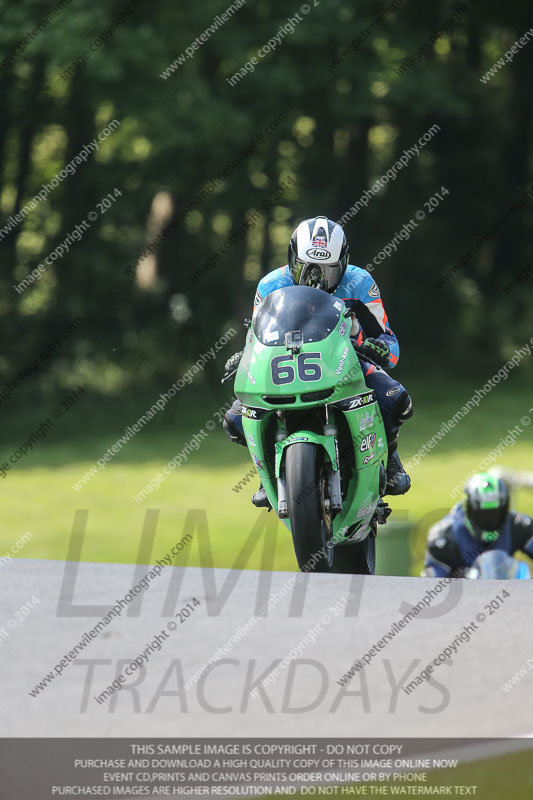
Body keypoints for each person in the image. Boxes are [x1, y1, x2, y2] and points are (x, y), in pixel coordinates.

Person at [223, 215, 413, 506]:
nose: (316, 278)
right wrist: (244, 357)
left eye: (327, 270)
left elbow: (387, 337)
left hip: (346, 358)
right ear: (291, 259)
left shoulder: (360, 282)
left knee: (395, 399)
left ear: (344, 262)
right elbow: (256, 337)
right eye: (306, 267)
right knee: (235, 420)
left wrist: (380, 349)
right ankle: (267, 474)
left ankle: (391, 459)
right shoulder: (269, 285)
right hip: (283, 362)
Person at [423, 472, 533, 577]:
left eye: (496, 513)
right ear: (468, 509)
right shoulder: (444, 537)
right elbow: (435, 584)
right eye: (483, 515)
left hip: (510, 592)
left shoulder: (519, 525)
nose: (489, 520)